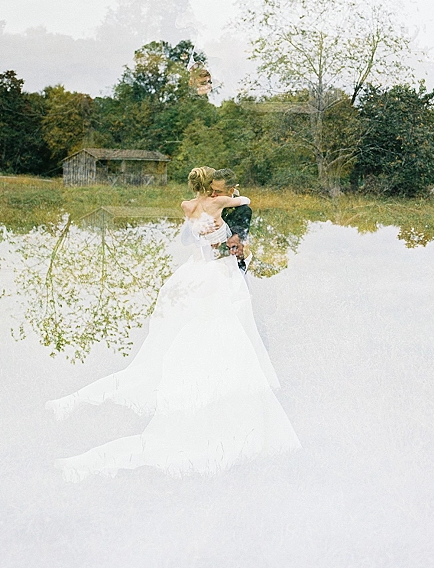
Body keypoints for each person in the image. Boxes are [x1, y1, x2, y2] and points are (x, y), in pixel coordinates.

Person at [46, 166, 300, 480]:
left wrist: (215, 239)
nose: (219, 195)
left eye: (222, 190)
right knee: (222, 329)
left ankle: (212, 387)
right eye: (217, 190)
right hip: (217, 277)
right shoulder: (228, 204)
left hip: (196, 274)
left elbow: (190, 239)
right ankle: (212, 393)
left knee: (212, 330)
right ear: (212, 189)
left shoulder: (192, 206)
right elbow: (227, 245)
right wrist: (232, 248)